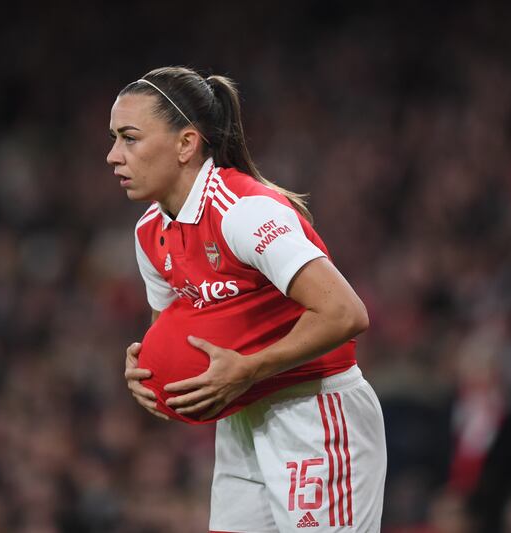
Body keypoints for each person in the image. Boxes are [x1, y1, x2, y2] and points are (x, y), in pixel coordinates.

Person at [107, 66, 387, 532]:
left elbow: (346, 313)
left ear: (186, 144)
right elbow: (174, 333)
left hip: (315, 413)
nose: (114, 155)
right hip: (241, 420)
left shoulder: (244, 211)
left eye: (130, 138)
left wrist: (250, 368)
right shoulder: (149, 232)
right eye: (114, 138)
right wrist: (147, 370)